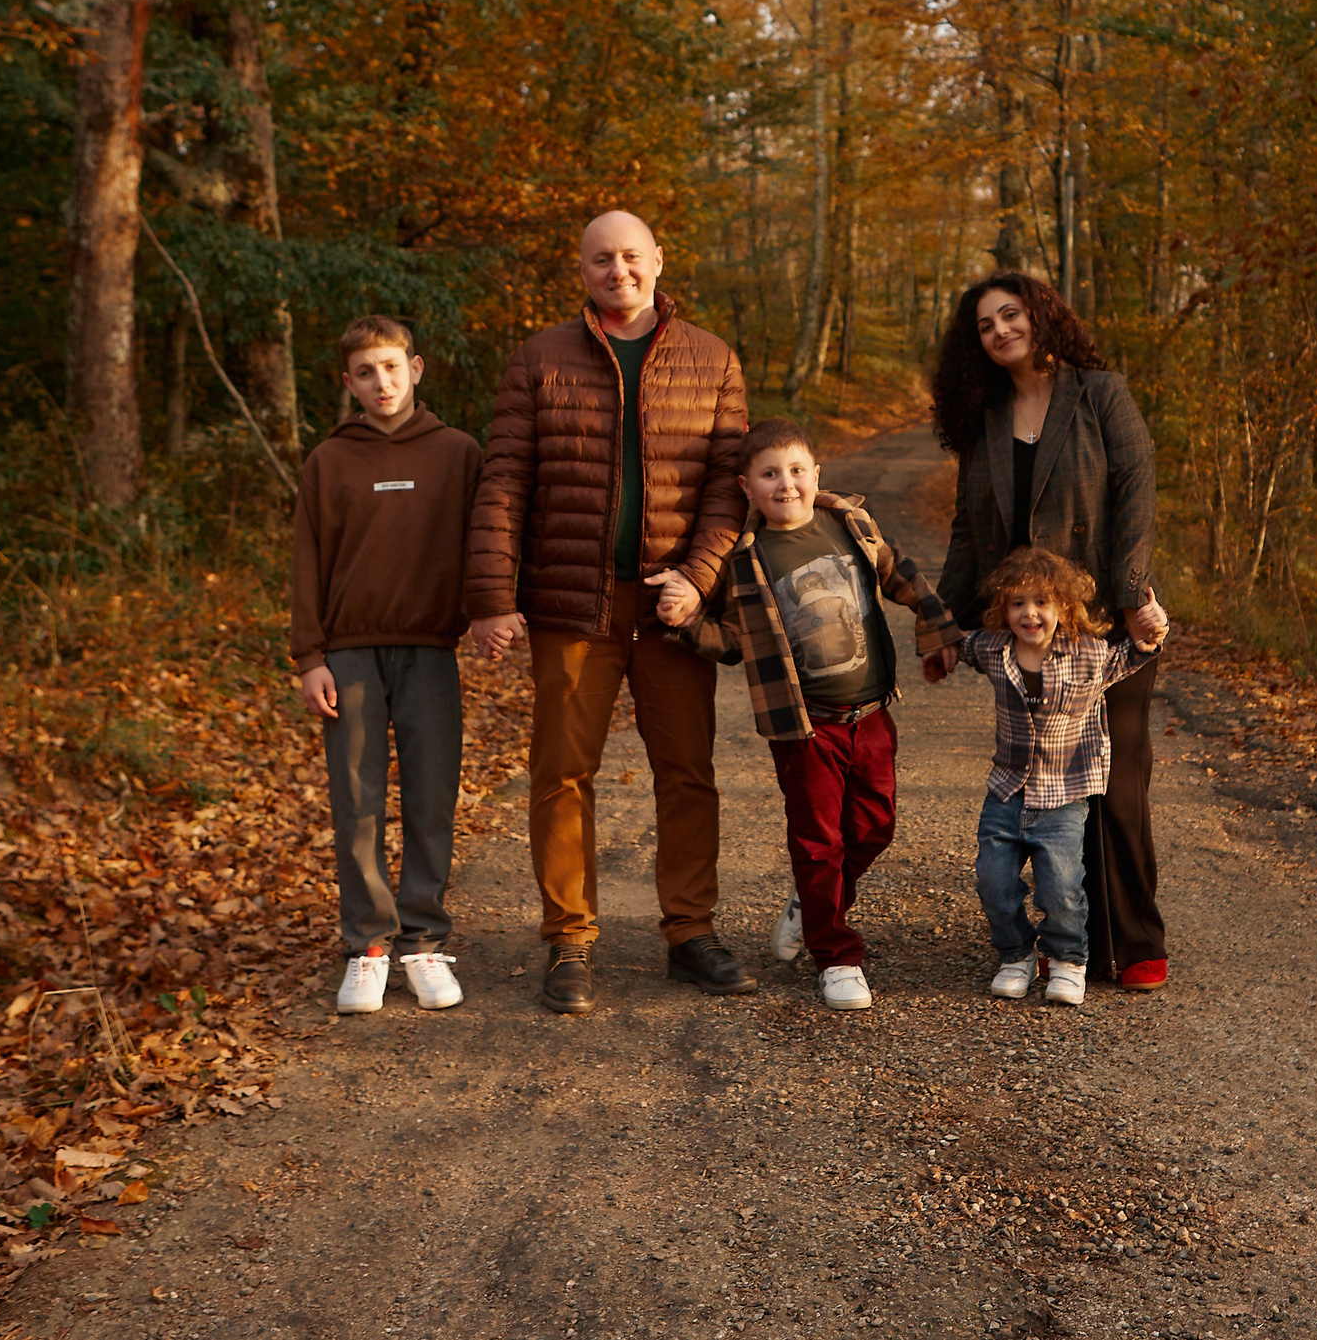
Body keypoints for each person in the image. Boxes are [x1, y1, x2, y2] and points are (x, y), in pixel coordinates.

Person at [465, 211, 754, 1014]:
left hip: (671, 607)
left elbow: (729, 487)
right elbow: (504, 482)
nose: (617, 269)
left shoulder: (713, 358)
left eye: (631, 256)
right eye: (601, 258)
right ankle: (569, 939)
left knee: (688, 773)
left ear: (659, 261)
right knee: (561, 774)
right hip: (570, 603)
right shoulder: (539, 359)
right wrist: (491, 595)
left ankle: (690, 933)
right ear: (582, 269)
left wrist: (699, 577)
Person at [654, 418, 961, 1012]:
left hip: (871, 714)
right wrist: (685, 623)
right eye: (770, 474)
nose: (785, 484)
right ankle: (836, 955)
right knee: (818, 841)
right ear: (747, 486)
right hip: (805, 726)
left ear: (817, 474)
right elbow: (732, 642)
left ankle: (813, 901)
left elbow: (900, 573)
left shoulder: (847, 523)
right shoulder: (745, 558)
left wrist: (936, 630)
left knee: (874, 828)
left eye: (796, 471)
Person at [932, 273, 1172, 990]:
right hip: (1027, 632)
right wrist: (942, 622)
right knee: (1046, 785)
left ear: (1040, 316)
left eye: (1011, 314)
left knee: (1118, 781)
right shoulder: (984, 416)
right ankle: (1072, 946)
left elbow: (1137, 485)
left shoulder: (1100, 392)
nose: (1001, 329)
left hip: (1101, 623)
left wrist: (1131, 595)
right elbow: (969, 528)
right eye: (985, 324)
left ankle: (1133, 941)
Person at [290, 315, 481, 1015]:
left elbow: (486, 543)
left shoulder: (458, 453)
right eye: (366, 372)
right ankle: (368, 944)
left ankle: (424, 939)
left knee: (431, 793)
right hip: (349, 652)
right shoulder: (328, 461)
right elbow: (306, 562)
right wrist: (310, 655)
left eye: (392, 367)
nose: (382, 382)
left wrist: (489, 611)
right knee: (357, 799)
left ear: (417, 369)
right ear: (348, 382)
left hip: (430, 647)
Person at [957, 548, 1162, 1006]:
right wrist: (933, 642)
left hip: (1064, 794)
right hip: (1007, 790)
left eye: (1043, 602)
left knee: (1062, 885)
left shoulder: (1089, 654)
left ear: (1065, 609)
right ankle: (1015, 956)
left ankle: (1068, 959)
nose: (1030, 613)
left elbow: (1133, 655)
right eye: (1017, 603)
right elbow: (956, 643)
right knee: (992, 879)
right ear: (1003, 610)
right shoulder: (992, 649)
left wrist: (1151, 632)